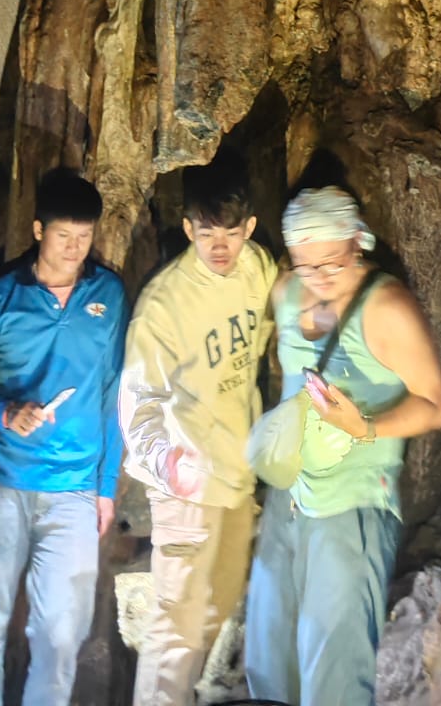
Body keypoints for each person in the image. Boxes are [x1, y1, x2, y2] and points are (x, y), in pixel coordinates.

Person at [244, 181, 441, 706]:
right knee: (269, 651)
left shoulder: (386, 308)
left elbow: (435, 405)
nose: (318, 277)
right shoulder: (287, 292)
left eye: (331, 263)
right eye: (305, 263)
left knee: (333, 662)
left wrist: (367, 427)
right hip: (288, 499)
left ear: (358, 241)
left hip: (352, 504)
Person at [0, 166, 127, 706]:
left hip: (74, 489)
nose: (74, 249)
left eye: (84, 237)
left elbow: (115, 392)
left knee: (60, 639)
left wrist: (106, 487)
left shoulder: (108, 295)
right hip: (2, 483)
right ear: (38, 230)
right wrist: (4, 412)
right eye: (64, 235)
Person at [118, 154, 277, 706]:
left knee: (217, 606)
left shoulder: (258, 268)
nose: (219, 247)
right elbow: (138, 403)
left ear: (249, 227)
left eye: (230, 234)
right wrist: (167, 464)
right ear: (188, 229)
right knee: (176, 623)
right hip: (185, 481)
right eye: (207, 234)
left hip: (236, 473)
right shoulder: (164, 304)